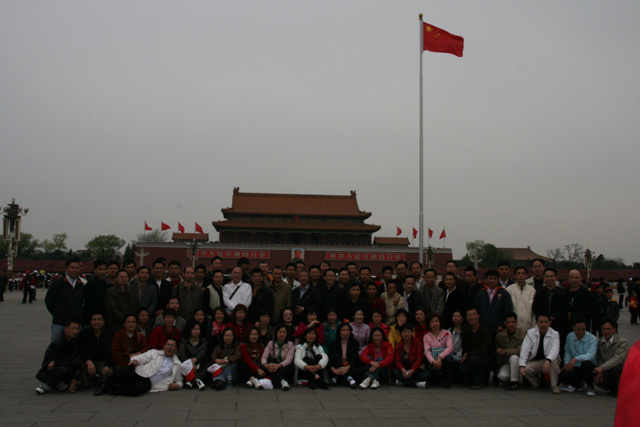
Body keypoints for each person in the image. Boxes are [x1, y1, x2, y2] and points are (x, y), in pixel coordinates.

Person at [95, 338, 183, 396]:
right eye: (168, 344)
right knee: (126, 370)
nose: (170, 347)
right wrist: (136, 360)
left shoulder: (177, 364)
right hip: (140, 372)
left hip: (149, 382)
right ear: (164, 346)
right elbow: (142, 357)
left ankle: (113, 389)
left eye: (172, 346)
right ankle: (104, 386)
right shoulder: (155, 353)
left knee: (136, 391)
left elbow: (179, 381)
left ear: (176, 349)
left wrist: (177, 385)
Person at [35, 320, 82, 394]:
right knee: (64, 369)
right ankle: (48, 385)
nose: (75, 331)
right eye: (73, 329)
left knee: (77, 362)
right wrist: (73, 379)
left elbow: (74, 356)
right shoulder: (57, 343)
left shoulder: (75, 340)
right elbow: (60, 360)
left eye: (77, 329)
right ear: (65, 329)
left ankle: (64, 383)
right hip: (53, 368)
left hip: (64, 363)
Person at [518, 313, 562, 394]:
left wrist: (548, 360)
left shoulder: (555, 334)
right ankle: (537, 383)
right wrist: (522, 366)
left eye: (546, 322)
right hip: (537, 361)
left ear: (550, 322)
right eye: (541, 322)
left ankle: (554, 385)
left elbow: (555, 350)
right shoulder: (530, 333)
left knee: (553, 362)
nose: (543, 324)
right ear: (537, 323)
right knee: (526, 369)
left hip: (550, 361)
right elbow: (525, 349)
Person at [45, 258, 85, 341]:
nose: (75, 270)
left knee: (76, 345)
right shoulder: (57, 283)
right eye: (72, 267)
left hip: (76, 323)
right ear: (66, 268)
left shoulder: (81, 285)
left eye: (77, 268)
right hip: (60, 323)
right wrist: (57, 314)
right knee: (57, 345)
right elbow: (49, 301)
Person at [560, 316, 597, 395]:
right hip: (575, 366)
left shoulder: (592, 338)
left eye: (583, 329)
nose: (581, 332)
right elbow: (567, 352)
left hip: (588, 366)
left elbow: (591, 355)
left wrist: (576, 359)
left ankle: (590, 386)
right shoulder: (569, 336)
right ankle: (578, 383)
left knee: (586, 364)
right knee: (563, 375)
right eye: (578, 329)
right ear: (573, 327)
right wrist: (566, 363)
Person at [593, 318, 628, 397]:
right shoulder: (600, 341)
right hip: (606, 369)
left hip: (620, 368)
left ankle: (622, 388)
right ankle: (614, 388)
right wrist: (600, 371)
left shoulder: (622, 342)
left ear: (614, 330)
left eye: (608, 329)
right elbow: (599, 358)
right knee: (597, 378)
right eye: (603, 329)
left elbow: (618, 358)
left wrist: (602, 367)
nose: (606, 331)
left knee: (615, 369)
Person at [459, 306, 493, 389]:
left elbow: (483, 351)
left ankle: (479, 381)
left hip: (486, 358)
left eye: (474, 315)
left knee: (474, 359)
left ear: (478, 316)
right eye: (469, 315)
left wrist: (468, 354)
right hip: (471, 358)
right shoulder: (465, 330)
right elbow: (465, 348)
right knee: (462, 370)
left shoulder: (485, 330)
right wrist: (466, 356)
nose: (472, 317)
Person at [79, 312, 113, 390]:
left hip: (102, 360)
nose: (96, 322)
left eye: (99, 320)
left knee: (109, 372)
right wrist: (88, 361)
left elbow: (109, 351)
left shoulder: (109, 333)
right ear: (90, 322)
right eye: (94, 320)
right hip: (89, 360)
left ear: (103, 322)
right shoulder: (84, 333)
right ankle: (85, 383)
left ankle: (101, 382)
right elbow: (82, 350)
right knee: (81, 362)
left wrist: (107, 365)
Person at [475, 269, 513, 334]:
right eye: (490, 278)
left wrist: (502, 325)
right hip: (483, 327)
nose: (492, 280)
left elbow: (507, 310)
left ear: (498, 280)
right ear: (486, 280)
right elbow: (477, 310)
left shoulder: (504, 293)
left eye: (494, 278)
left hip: (499, 328)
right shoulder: (480, 294)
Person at [495, 312, 526, 390]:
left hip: (519, 362)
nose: (511, 324)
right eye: (508, 322)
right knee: (502, 376)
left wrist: (506, 352)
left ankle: (514, 382)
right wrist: (499, 366)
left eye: (513, 322)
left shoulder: (522, 335)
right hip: (507, 362)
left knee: (514, 357)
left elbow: (520, 350)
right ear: (505, 323)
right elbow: (498, 353)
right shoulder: (500, 336)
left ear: (516, 322)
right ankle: (510, 377)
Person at [423, 313, 454, 388]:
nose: (435, 324)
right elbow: (427, 352)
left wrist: (440, 357)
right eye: (432, 322)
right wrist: (434, 362)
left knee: (449, 359)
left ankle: (447, 381)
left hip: (444, 358)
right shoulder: (426, 336)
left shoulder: (447, 333)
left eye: (436, 321)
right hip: (433, 359)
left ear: (440, 322)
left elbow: (450, 348)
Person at [392, 324, 428, 388]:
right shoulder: (398, 346)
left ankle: (404, 382)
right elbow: (397, 361)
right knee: (394, 371)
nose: (406, 334)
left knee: (427, 374)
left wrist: (412, 370)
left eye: (408, 332)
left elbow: (419, 359)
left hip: (415, 369)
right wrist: (403, 370)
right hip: (405, 370)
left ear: (412, 333)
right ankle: (415, 384)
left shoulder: (418, 343)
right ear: (400, 334)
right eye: (404, 332)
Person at [261, 324, 296, 391]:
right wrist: (266, 365)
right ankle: (283, 382)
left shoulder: (290, 344)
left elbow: (289, 359)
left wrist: (278, 365)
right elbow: (264, 357)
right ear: (276, 333)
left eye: (284, 332)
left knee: (289, 366)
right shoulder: (270, 343)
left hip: (284, 367)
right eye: (280, 332)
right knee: (271, 367)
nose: (282, 334)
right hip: (273, 366)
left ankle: (278, 381)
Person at [327, 323, 360, 388]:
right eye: (343, 330)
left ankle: (337, 378)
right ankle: (349, 378)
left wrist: (347, 368)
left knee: (360, 369)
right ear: (339, 332)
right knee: (334, 356)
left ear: (350, 332)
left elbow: (354, 358)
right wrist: (333, 369)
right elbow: (330, 356)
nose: (345, 332)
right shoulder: (334, 343)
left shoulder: (355, 343)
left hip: (349, 366)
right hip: (337, 365)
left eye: (347, 330)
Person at [177, 321, 207, 390]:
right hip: (187, 362)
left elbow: (202, 353)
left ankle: (191, 381)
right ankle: (197, 380)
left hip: (199, 363)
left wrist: (195, 360)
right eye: (194, 329)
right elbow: (181, 353)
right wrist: (190, 363)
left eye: (198, 329)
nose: (196, 331)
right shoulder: (184, 341)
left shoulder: (203, 342)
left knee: (208, 365)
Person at [506, 266, 536, 332]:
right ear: (515, 276)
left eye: (523, 273)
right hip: (514, 328)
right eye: (519, 273)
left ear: (526, 275)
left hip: (529, 328)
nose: (521, 275)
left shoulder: (532, 291)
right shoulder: (509, 290)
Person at [83, 260, 108, 324]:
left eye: (104, 269)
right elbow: (90, 303)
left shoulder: (104, 283)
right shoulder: (91, 284)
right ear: (95, 270)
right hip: (93, 318)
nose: (102, 272)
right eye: (100, 269)